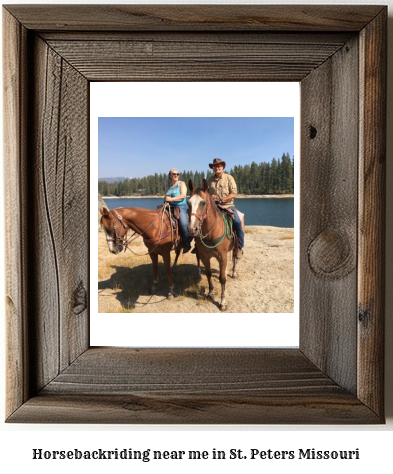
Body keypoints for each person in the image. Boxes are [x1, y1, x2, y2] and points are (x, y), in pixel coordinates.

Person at [207, 158, 244, 259]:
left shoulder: (229, 178)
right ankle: (198, 246)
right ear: (213, 168)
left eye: (219, 166)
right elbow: (205, 195)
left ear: (222, 167)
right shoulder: (209, 180)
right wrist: (211, 197)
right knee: (202, 221)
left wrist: (223, 199)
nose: (217, 167)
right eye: (215, 166)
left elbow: (234, 193)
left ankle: (239, 246)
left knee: (237, 222)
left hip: (227, 205)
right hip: (214, 207)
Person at [164, 168, 192, 253]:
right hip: (169, 206)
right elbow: (167, 197)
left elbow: (183, 196)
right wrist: (165, 199)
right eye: (174, 174)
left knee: (184, 224)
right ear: (170, 176)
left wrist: (171, 199)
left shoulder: (181, 184)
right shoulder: (170, 186)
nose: (176, 175)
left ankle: (187, 243)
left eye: (177, 174)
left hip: (180, 206)